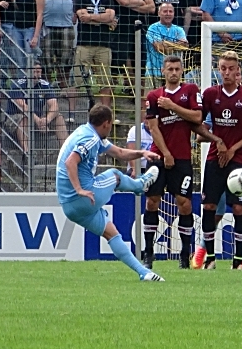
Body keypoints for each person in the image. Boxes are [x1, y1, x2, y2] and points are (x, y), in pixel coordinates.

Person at [57, 104, 163, 281]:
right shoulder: (90, 139)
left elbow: (120, 153)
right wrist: (79, 189)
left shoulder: (86, 132)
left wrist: (142, 153)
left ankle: (144, 273)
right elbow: (70, 162)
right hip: (83, 196)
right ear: (106, 123)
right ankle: (140, 186)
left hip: (69, 207)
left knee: (111, 233)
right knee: (114, 175)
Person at [199, 51, 242, 270]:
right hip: (215, 158)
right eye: (222, 68)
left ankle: (237, 262)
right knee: (209, 206)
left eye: (230, 68)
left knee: (239, 209)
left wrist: (234, 148)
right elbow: (198, 126)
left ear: (238, 71)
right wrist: (217, 140)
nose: (226, 72)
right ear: (218, 69)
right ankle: (210, 258)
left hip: (239, 161)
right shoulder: (209, 94)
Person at [143, 55, 202, 269]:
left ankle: (184, 255)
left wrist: (172, 106)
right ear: (163, 71)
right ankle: (148, 253)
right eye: (170, 69)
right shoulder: (153, 96)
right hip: (159, 157)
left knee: (184, 204)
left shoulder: (190, 91)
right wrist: (166, 153)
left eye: (177, 69)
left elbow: (197, 118)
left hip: (183, 158)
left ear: (182, 70)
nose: (174, 72)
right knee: (152, 202)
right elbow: (153, 127)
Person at [36, 0, 82, 92]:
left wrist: (76, 13)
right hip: (47, 25)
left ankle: (64, 89)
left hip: (66, 25)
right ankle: (47, 90)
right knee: (47, 61)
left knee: (66, 61)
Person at [73, 0, 115, 106]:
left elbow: (110, 16)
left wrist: (91, 17)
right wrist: (103, 20)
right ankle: (79, 111)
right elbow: (82, 17)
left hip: (103, 44)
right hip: (84, 43)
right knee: (80, 78)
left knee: (104, 79)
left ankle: (105, 111)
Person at [145, 3, 188, 83]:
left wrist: (165, 44)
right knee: (152, 95)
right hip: (154, 72)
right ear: (159, 13)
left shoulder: (179, 29)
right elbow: (160, 48)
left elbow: (184, 46)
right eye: (165, 11)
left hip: (174, 73)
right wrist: (176, 45)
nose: (168, 14)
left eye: (170, 11)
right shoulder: (153, 28)